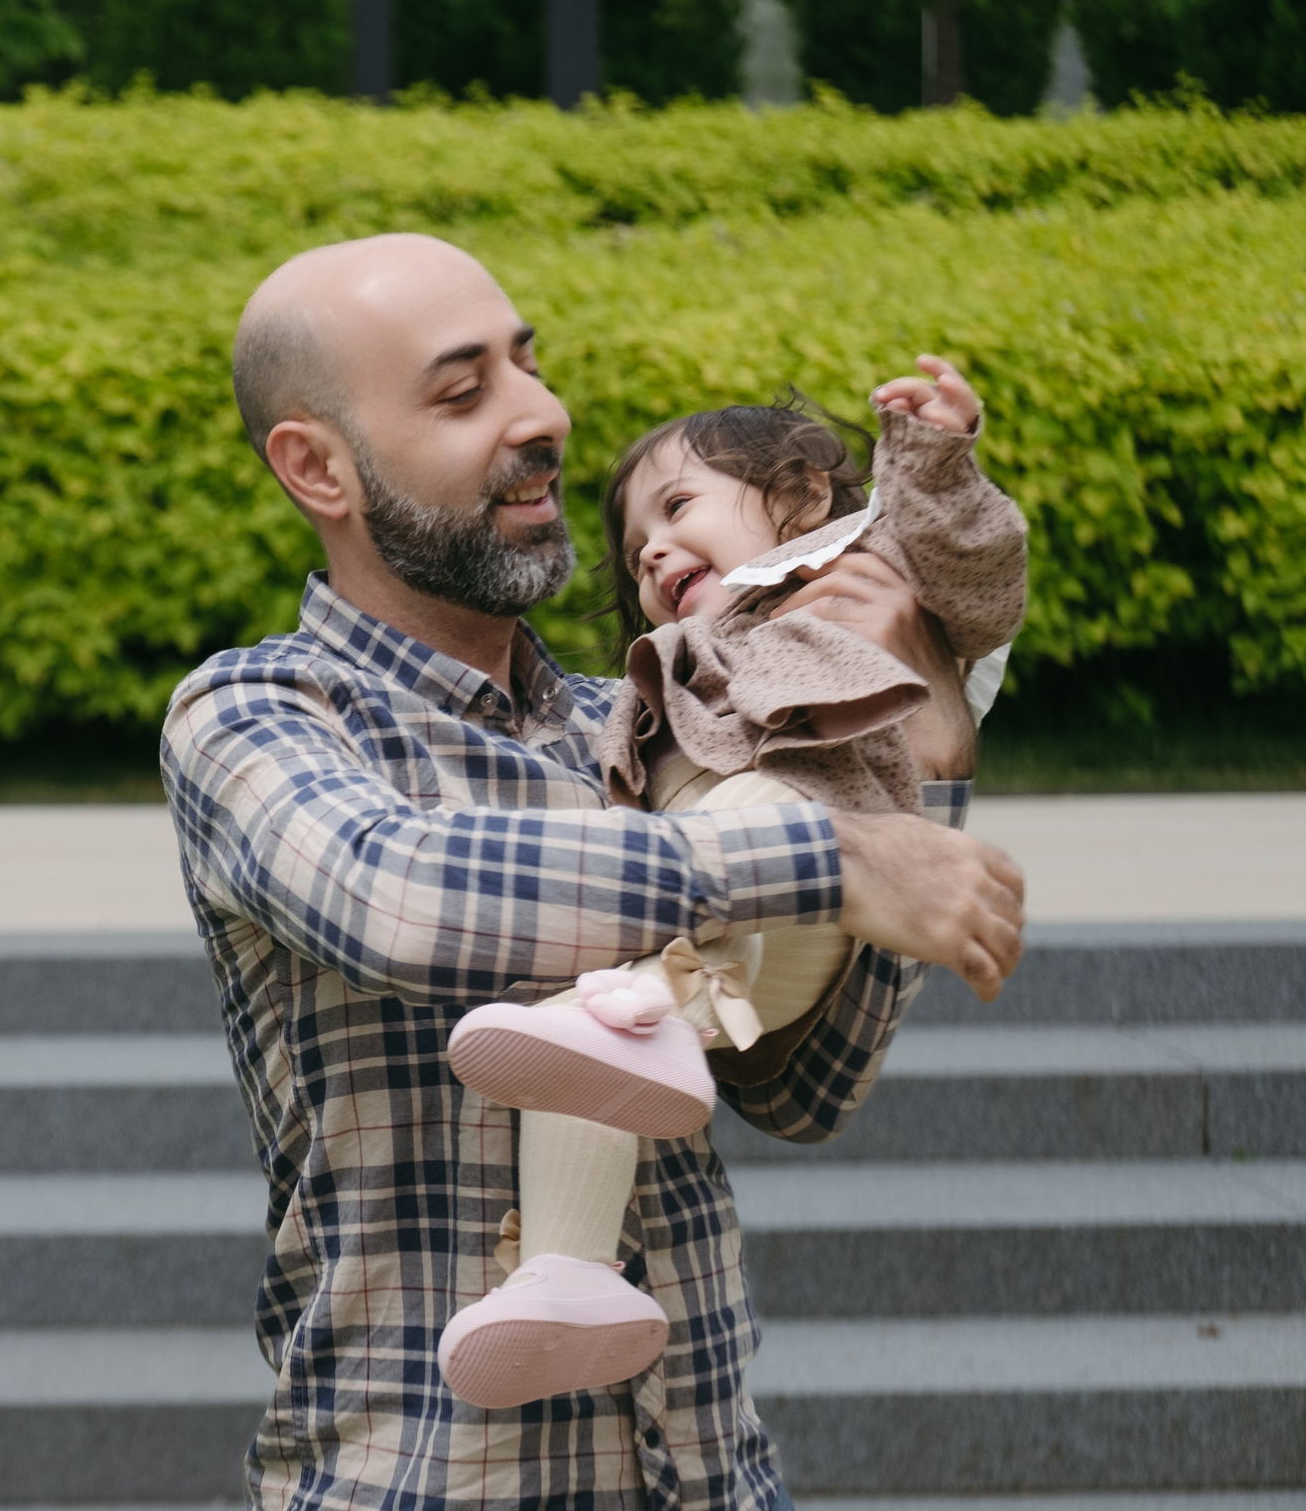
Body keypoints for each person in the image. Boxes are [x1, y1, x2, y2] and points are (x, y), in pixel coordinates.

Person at [160, 233, 1025, 1510]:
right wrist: (824, 852)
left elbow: (801, 1087)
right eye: (465, 391)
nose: (542, 414)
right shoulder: (259, 714)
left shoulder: (633, 725)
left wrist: (926, 755)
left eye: (529, 364)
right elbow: (396, 893)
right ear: (317, 467)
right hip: (424, 1477)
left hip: (704, 1474)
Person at [437, 372, 1028, 1412]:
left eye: (677, 508)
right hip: (696, 954)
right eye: (637, 550)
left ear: (800, 498)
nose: (653, 552)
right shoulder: (666, 673)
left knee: (757, 805)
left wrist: (932, 456)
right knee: (582, 1041)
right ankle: (567, 1273)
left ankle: (662, 999)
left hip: (800, 903)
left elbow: (972, 569)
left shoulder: (847, 574)